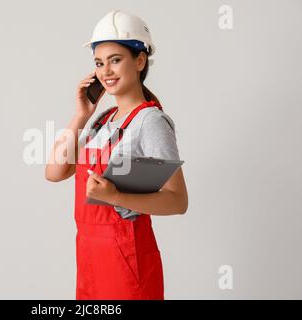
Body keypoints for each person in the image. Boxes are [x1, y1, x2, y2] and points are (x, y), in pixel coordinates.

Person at [45, 9, 188, 300]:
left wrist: (115, 197)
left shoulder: (150, 121)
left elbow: (178, 200)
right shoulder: (102, 120)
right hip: (89, 257)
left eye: (115, 60)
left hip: (127, 261)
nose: (106, 72)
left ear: (139, 60)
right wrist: (81, 115)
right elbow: (54, 172)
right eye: (99, 63)